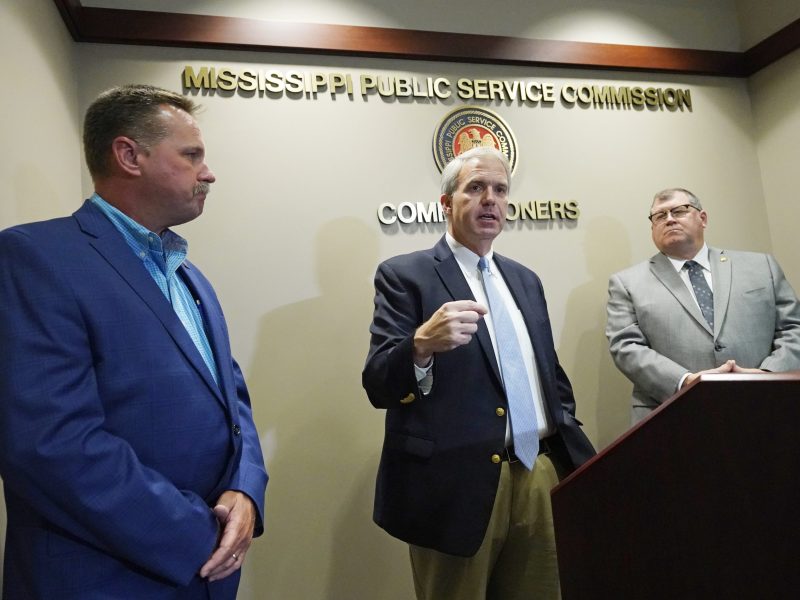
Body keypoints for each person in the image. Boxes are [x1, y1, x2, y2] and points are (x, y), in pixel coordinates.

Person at [0, 84, 268, 599]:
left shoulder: (190, 277)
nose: (208, 173)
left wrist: (245, 489)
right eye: (191, 156)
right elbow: (50, 443)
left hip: (204, 572)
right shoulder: (38, 258)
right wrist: (197, 534)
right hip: (104, 576)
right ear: (129, 155)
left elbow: (233, 400)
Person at [362, 147, 595, 600]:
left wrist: (565, 438)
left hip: (538, 474)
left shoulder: (525, 279)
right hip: (455, 485)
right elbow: (377, 384)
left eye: (500, 190)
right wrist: (420, 346)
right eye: (475, 188)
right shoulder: (405, 275)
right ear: (447, 203)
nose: (490, 199)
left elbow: (548, 374)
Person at [606, 187, 800, 424]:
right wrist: (686, 381)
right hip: (676, 415)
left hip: (766, 408)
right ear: (652, 227)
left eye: (679, 210)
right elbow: (625, 347)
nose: (669, 219)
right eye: (659, 216)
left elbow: (794, 328)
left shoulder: (761, 267)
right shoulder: (626, 283)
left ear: (703, 218)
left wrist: (768, 374)